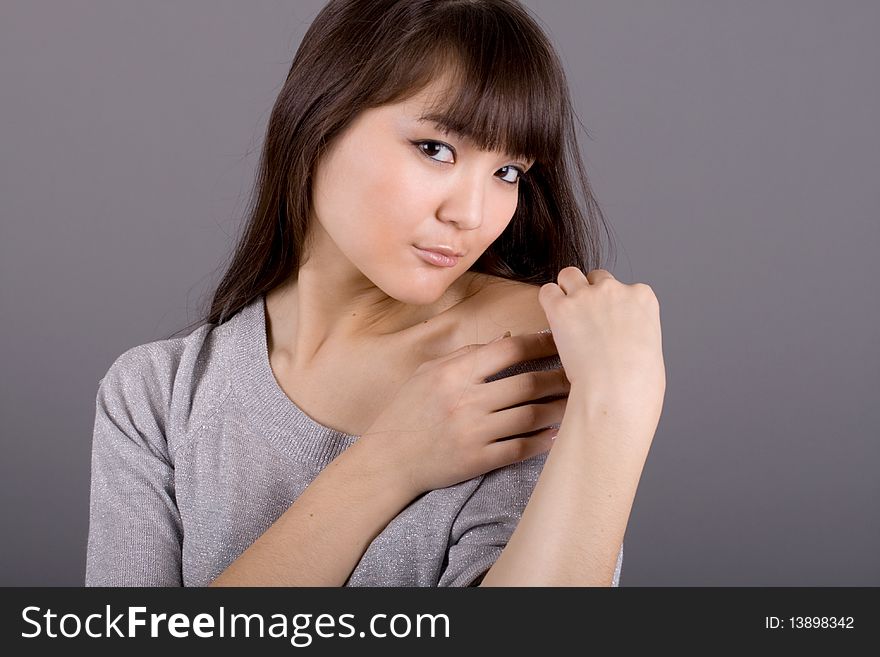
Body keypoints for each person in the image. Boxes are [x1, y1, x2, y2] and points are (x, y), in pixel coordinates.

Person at [86, 0, 665, 587]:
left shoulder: (529, 360)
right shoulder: (157, 396)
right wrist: (388, 464)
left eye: (507, 172)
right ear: (319, 120)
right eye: (436, 149)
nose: (471, 214)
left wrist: (621, 406)